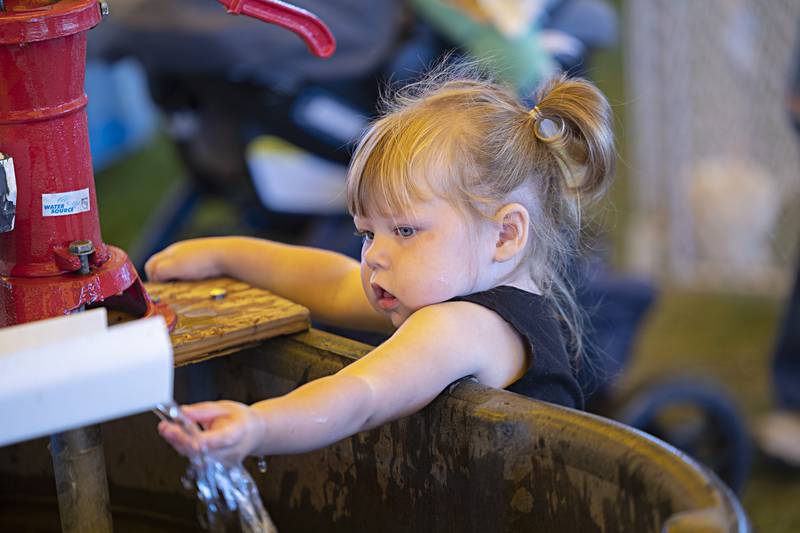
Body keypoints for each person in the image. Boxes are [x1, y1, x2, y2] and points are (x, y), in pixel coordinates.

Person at [147, 62, 615, 464]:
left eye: (406, 231)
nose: (374, 255)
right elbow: (330, 282)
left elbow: (362, 395)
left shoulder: (464, 326)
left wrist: (257, 426)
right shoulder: (445, 289)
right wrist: (224, 253)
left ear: (506, 234)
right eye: (369, 233)